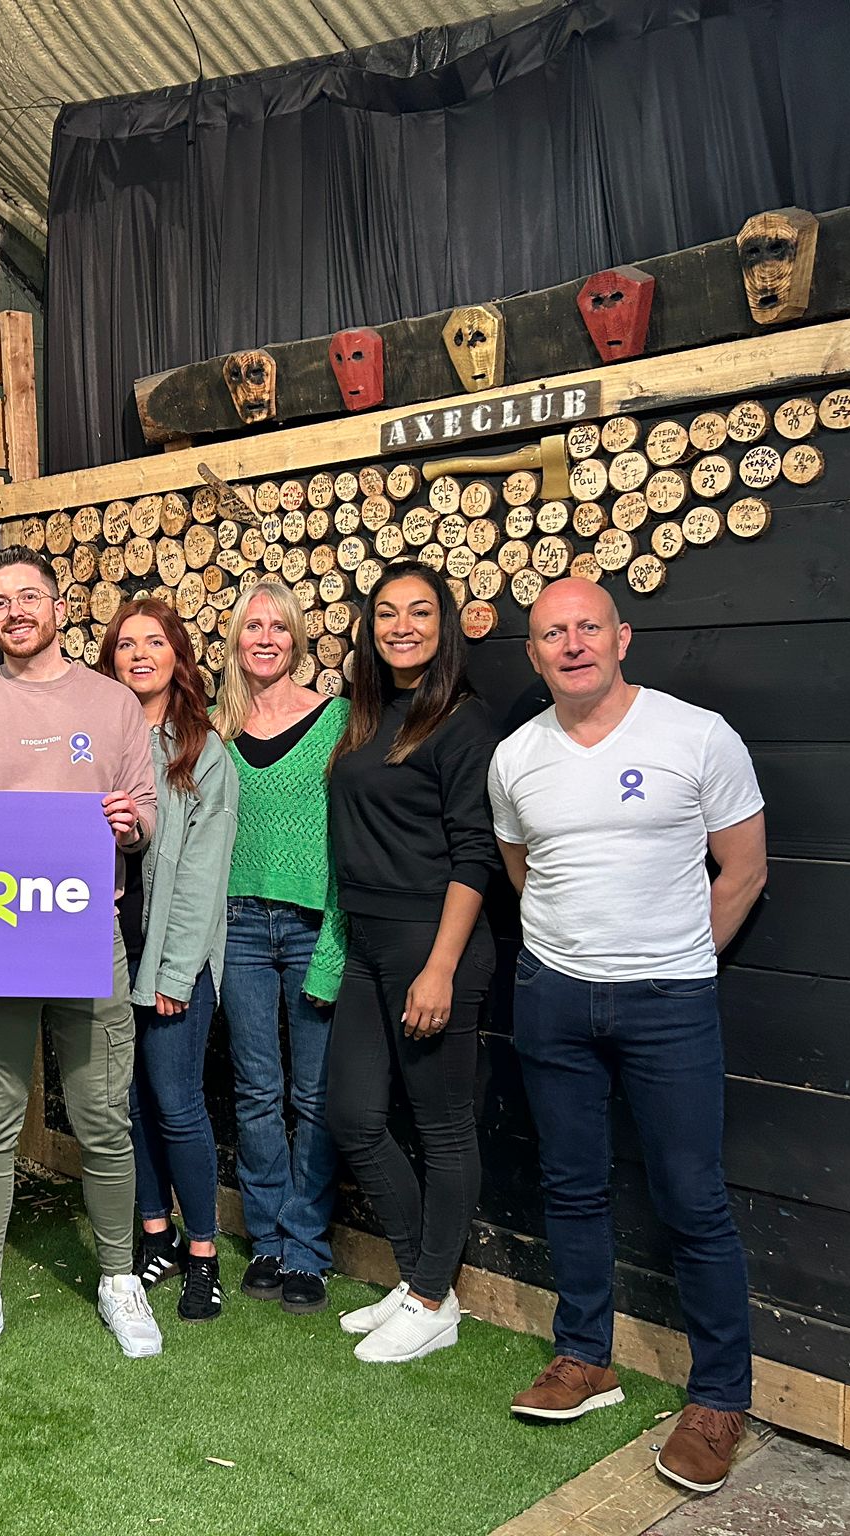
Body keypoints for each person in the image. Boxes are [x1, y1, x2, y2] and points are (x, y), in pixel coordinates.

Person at [490, 577, 767, 1496]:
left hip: (669, 1002)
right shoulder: (515, 757)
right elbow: (525, 870)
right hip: (553, 997)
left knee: (692, 1196)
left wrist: (676, 957)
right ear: (534, 655)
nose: (571, 644)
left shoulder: (697, 735)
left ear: (622, 637)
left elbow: (744, 868)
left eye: (587, 627)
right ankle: (584, 1357)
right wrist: (578, 951)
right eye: (551, 633)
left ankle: (719, 1398)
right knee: (570, 1185)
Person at [0, 545, 160, 1371]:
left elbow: (145, 811)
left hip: (89, 934)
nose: (15, 611)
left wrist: (131, 823)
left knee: (102, 1118)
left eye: (29, 596)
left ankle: (119, 1278)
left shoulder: (113, 703)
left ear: (58, 608)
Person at [323, 564, 498, 1364]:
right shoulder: (365, 713)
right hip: (367, 943)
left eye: (420, 612)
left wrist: (440, 967)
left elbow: (475, 853)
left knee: (443, 1127)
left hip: (433, 943)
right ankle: (422, 1279)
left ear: (443, 626)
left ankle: (431, 1299)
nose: (402, 626)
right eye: (387, 613)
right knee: (353, 1116)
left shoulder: (462, 721)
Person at [93, 597, 238, 1324]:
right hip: (105, 949)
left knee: (176, 1103)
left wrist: (177, 971)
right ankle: (157, 1235)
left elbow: (205, 877)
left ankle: (203, 1254)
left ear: (178, 656)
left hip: (173, 957)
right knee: (126, 1103)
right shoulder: (95, 742)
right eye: (126, 644)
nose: (140, 655)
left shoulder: (203, 753)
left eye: (155, 642)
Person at [213, 578, 348, 1314]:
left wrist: (335, 943)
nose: (265, 638)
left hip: (311, 926)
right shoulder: (215, 729)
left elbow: (352, 839)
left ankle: (307, 1247)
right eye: (252, 626)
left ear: (297, 639)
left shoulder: (338, 720)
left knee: (315, 1094)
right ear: (235, 639)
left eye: (279, 627)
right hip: (234, 926)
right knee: (256, 1090)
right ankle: (266, 1236)